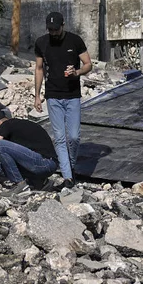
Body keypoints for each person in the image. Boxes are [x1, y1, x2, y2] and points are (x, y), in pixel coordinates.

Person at [34, 12, 91, 189]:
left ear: (63, 25)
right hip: (53, 96)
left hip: (72, 95)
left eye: (56, 29)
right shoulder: (41, 43)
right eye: (50, 29)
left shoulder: (75, 41)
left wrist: (77, 72)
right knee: (59, 138)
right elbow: (38, 69)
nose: (53, 33)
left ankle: (70, 167)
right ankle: (67, 177)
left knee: (73, 137)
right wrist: (37, 95)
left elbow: (88, 64)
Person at [0, 117, 58, 190]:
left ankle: (19, 185)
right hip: (50, 165)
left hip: (43, 162)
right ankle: (38, 182)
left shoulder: (6, 124)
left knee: (0, 145)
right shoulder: (22, 126)